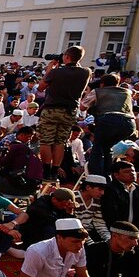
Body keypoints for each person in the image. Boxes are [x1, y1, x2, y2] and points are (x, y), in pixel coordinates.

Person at [37, 46, 92, 181]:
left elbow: (41, 87)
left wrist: (50, 68)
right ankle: (55, 171)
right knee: (60, 141)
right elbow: (76, 67)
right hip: (70, 111)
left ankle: (46, 171)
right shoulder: (86, 72)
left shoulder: (57, 72)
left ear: (66, 57)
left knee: (46, 140)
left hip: (52, 109)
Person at [101, 161, 139, 239]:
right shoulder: (110, 189)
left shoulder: (137, 188)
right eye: (127, 172)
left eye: (133, 171)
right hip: (117, 232)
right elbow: (111, 215)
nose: (132, 173)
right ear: (116, 175)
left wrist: (138, 230)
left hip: (134, 231)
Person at [74, 174, 109, 242]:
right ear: (88, 187)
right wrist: (91, 244)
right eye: (100, 189)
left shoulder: (97, 201)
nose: (102, 193)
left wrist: (108, 239)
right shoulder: (74, 198)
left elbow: (99, 224)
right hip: (76, 233)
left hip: (88, 233)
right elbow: (76, 225)